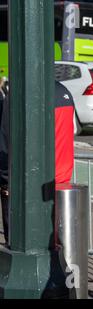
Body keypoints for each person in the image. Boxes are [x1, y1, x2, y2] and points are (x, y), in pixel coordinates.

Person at [0, 81, 75, 246]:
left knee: (21, 242)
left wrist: (5, 179)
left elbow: (6, 141)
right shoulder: (63, 91)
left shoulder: (20, 95)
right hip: (61, 179)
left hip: (31, 184)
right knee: (57, 241)